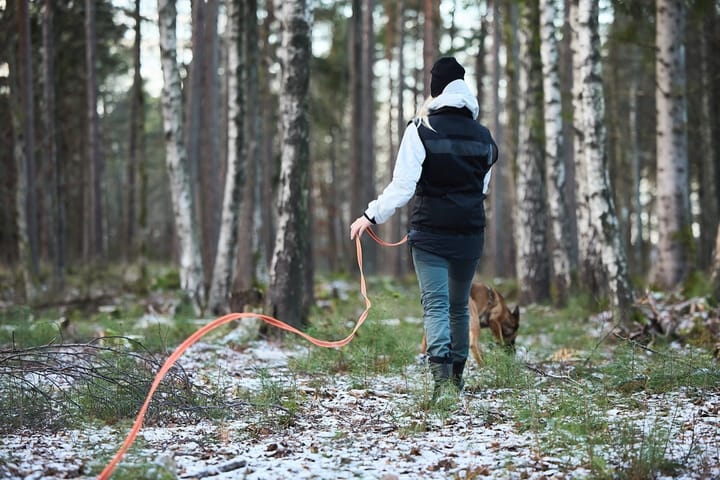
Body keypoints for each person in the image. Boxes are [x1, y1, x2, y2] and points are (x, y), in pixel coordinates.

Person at [350, 56, 499, 400]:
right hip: (470, 234)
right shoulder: (484, 137)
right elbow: (482, 189)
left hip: (431, 235)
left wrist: (369, 217)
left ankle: (442, 385)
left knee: (435, 305)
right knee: (459, 306)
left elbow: (402, 187)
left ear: (436, 90)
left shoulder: (421, 129)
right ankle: (457, 380)